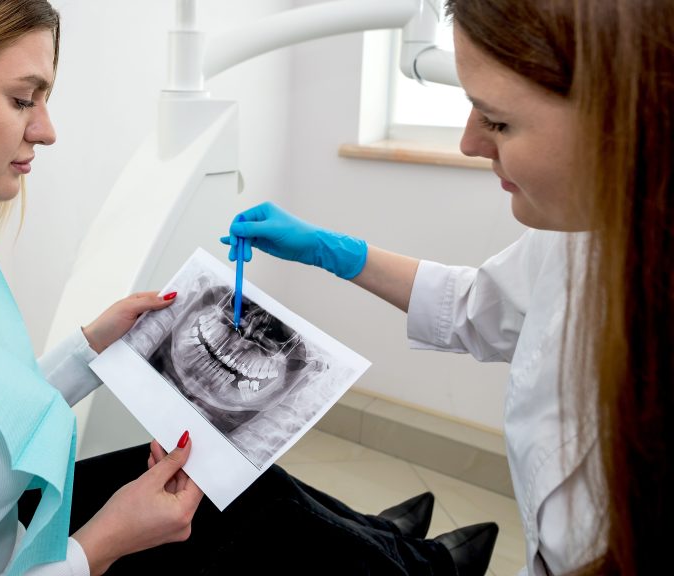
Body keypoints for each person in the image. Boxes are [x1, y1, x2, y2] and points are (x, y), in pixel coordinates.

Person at [0, 1, 496, 575]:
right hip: (32, 555)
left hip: (1, 534)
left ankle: (391, 550)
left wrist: (87, 350)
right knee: (222, 516)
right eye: (23, 98)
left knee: (231, 476)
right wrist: (100, 544)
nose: (45, 129)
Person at [223, 0, 672, 573]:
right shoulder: (581, 231)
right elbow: (478, 304)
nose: (469, 143)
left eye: (498, 121)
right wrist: (333, 252)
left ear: (631, 119)